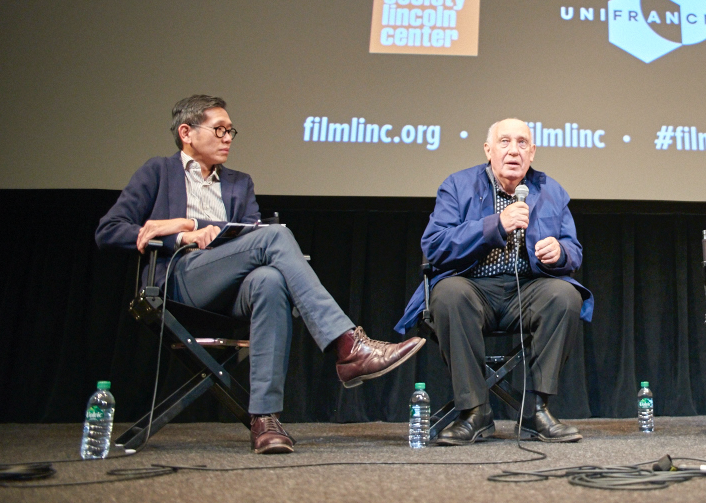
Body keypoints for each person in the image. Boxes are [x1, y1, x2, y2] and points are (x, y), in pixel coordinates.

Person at [96, 95, 425, 454]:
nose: (228, 138)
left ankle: (265, 419)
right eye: (219, 129)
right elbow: (109, 231)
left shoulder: (239, 183)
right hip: (182, 281)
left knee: (270, 280)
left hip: (234, 288)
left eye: (230, 131)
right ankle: (348, 345)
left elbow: (250, 233)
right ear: (186, 132)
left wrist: (194, 221)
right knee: (277, 234)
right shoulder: (157, 172)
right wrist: (179, 235)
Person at [395, 118, 591, 445]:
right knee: (448, 294)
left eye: (522, 143)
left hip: (527, 291)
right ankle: (475, 412)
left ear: (532, 152)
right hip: (472, 288)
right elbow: (434, 244)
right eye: (504, 142)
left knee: (565, 296)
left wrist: (560, 252)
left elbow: (575, 250)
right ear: (488, 150)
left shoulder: (552, 191)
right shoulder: (457, 186)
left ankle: (535, 410)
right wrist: (495, 225)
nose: (513, 150)